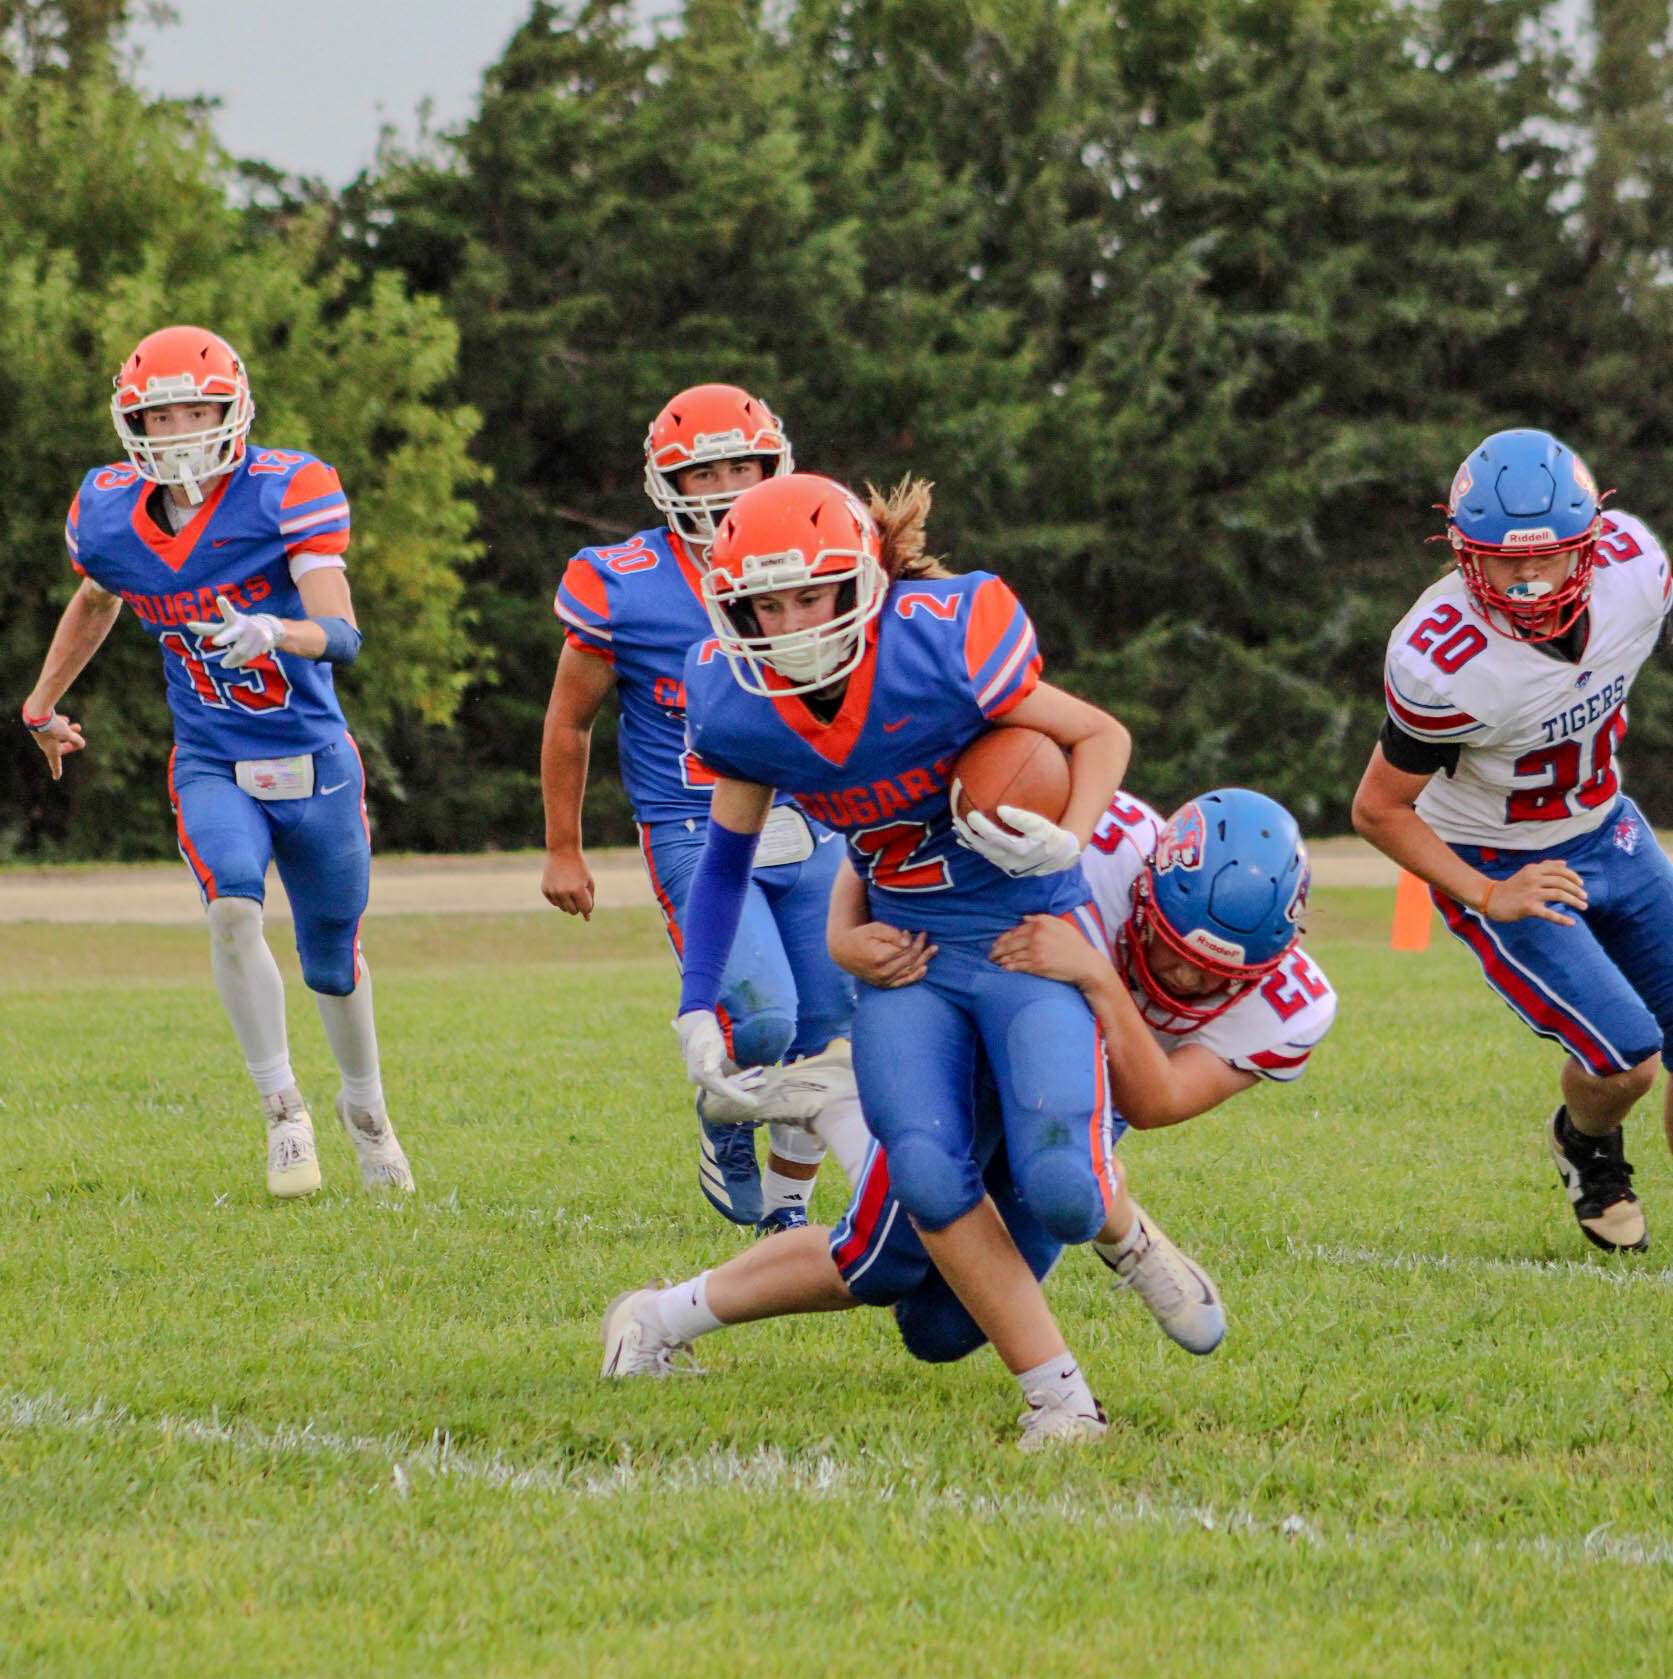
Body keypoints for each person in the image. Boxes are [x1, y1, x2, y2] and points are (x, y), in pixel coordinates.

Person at [636, 469, 1228, 1449]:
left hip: (1019, 938)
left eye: (809, 593)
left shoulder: (942, 636)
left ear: (858, 579)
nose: (788, 622)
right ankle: (1060, 1398)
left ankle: (1126, 1234)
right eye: (765, 601)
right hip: (905, 958)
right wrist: (698, 1000)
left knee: (1064, 1186)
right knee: (922, 1178)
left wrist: (1067, 835)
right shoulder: (736, 701)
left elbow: (1098, 734)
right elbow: (724, 858)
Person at [602, 788, 1333, 1428]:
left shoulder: (1293, 1005)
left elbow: (1157, 1098)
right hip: (971, 1038)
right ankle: (655, 1317)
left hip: (1089, 1089)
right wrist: (842, 934)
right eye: (1169, 949)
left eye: (1212, 977)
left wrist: (1099, 979)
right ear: (1143, 887)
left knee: (940, 1328)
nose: (1179, 977)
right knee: (877, 1260)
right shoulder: (1093, 834)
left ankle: (1109, 1212)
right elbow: (898, 828)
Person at [22, 325, 411, 1199]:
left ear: (232, 411)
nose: (181, 430)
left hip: (314, 759)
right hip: (211, 757)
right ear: (133, 426)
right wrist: (40, 707)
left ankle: (366, 1110)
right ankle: (283, 1112)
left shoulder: (286, 488)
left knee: (331, 958)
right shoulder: (109, 512)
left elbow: (341, 632)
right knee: (231, 909)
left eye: (197, 409)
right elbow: (95, 599)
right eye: (161, 416)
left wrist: (277, 629)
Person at [542, 385, 868, 1234]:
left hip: (813, 818)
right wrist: (562, 847)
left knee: (832, 1023)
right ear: (666, 484)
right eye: (703, 471)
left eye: (740, 466)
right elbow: (570, 719)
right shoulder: (624, 582)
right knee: (761, 1017)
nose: (724, 485)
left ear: (775, 466)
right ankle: (723, 1122)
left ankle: (788, 1205)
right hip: (694, 822)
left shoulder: (815, 554)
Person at [1352, 427, 1673, 1253]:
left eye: (1550, 558)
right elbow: (1378, 808)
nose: (1528, 579)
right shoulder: (1441, 661)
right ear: (1462, 553)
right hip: (1498, 856)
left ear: (1592, 543)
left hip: (1609, 825)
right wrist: (1489, 893)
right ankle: (1587, 1145)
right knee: (1626, 1059)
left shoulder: (1637, 574)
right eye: (1502, 561)